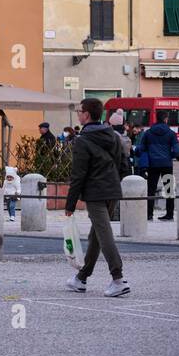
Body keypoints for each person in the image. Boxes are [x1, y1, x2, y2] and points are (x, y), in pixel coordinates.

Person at [65, 97, 130, 297]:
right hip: (112, 190)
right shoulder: (112, 134)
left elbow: (78, 175)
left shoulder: (82, 140)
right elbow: (123, 164)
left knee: (104, 234)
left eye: (79, 111)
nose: (78, 114)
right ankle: (82, 278)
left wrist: (70, 204)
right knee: (96, 235)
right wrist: (113, 182)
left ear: (86, 114)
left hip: (95, 193)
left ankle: (118, 278)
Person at [137, 117, 179, 221]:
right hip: (167, 165)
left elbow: (141, 148)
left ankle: (149, 215)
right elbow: (177, 151)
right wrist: (170, 156)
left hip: (152, 164)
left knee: (151, 190)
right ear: (166, 119)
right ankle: (169, 215)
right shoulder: (171, 133)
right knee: (169, 190)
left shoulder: (148, 133)